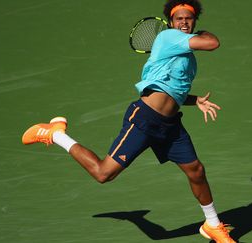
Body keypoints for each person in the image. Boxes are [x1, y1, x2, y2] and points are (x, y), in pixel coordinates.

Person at [21, 0, 235, 242]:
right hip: (144, 120)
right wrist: (200, 32)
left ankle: (212, 224)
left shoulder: (188, 59)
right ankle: (55, 133)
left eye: (189, 18)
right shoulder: (168, 38)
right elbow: (213, 43)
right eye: (179, 18)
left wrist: (194, 100)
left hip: (170, 125)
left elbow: (172, 89)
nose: (184, 22)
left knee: (196, 170)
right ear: (171, 22)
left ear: (194, 20)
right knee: (103, 174)